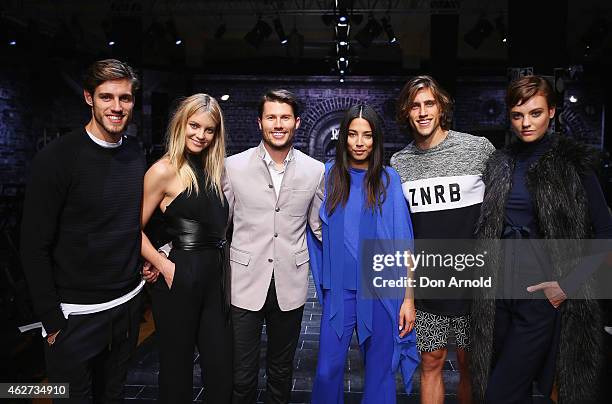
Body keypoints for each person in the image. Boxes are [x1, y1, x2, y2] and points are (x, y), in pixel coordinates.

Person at [470, 75, 612, 404]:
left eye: (534, 113)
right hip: (497, 296)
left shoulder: (573, 163)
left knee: (499, 395)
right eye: (517, 115)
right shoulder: (500, 163)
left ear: (551, 111)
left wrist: (568, 284)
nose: (525, 123)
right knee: (511, 392)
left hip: (542, 297)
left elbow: (605, 233)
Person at [20, 59, 147, 402]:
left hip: (126, 305)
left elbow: (128, 222)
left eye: (125, 98)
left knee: (113, 395)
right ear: (89, 98)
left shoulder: (135, 153)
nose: (117, 107)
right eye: (107, 97)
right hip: (74, 316)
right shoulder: (57, 158)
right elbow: (33, 245)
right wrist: (51, 319)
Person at [390, 75, 495, 404]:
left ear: (442, 108)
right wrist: (407, 295)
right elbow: (403, 236)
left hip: (474, 281)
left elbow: (503, 211)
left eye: (429, 104)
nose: (422, 112)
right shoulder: (399, 164)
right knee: (430, 362)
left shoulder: (478, 149)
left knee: (469, 365)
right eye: (414, 106)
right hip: (427, 283)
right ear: (407, 113)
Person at [309, 104, 419, 403]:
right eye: (353, 134)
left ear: (375, 140)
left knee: (380, 372)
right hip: (340, 292)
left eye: (367, 135)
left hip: (380, 292)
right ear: (344, 137)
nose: (360, 142)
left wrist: (408, 299)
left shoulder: (388, 179)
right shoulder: (329, 176)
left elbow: (404, 241)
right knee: (326, 370)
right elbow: (312, 226)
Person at [223, 89, 324, 403]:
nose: (278, 124)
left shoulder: (315, 170)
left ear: (296, 122)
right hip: (243, 283)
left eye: (284, 117)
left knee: (281, 372)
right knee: (242, 374)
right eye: (271, 117)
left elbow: (319, 228)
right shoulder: (232, 166)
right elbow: (216, 223)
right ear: (260, 122)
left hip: (290, 284)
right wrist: (169, 250)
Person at [140, 94, 232, 403]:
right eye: (194, 126)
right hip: (179, 278)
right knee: (176, 371)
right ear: (181, 123)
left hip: (214, 280)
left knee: (220, 370)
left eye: (209, 130)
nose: (201, 135)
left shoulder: (212, 171)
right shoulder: (163, 170)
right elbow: (129, 228)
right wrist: (162, 264)